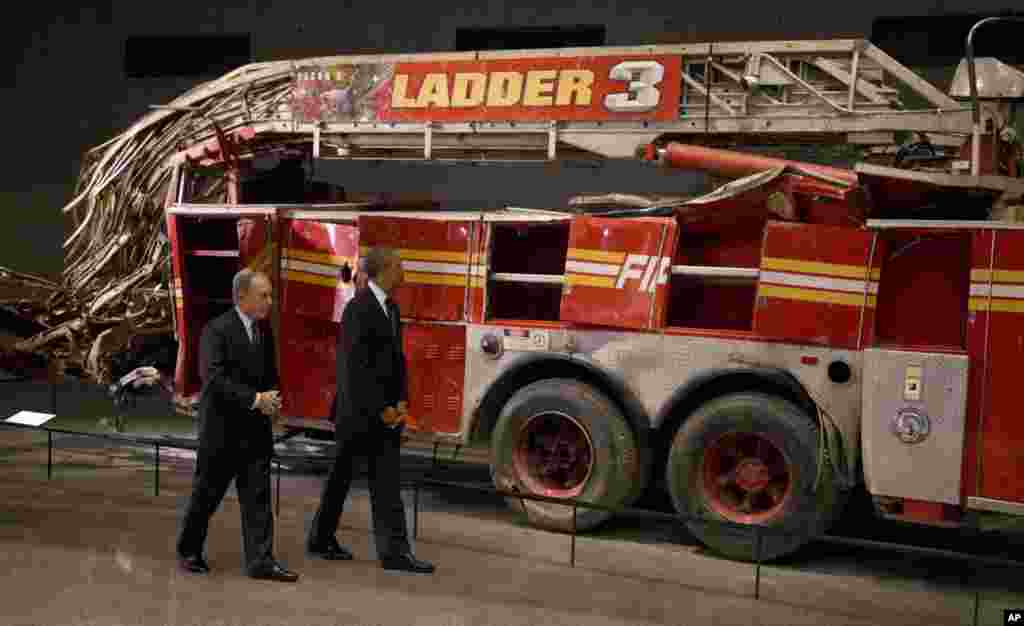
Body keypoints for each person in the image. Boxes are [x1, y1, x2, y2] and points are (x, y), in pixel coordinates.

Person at [307, 247, 435, 574]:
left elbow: (397, 361)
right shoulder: (357, 309)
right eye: (399, 266)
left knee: (386, 484)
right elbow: (354, 368)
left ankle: (394, 554)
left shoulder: (391, 308)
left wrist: (402, 401)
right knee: (340, 481)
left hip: (385, 415)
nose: (404, 272)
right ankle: (321, 540)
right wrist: (381, 409)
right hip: (358, 414)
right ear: (385, 270)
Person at [176, 269, 299, 582]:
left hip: (256, 433)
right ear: (242, 296)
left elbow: (270, 374)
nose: (269, 301)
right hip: (222, 433)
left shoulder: (263, 332)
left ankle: (261, 561)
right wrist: (256, 399)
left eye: (270, 295)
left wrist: (274, 401)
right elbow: (214, 379)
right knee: (206, 496)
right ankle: (189, 551)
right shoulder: (216, 331)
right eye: (263, 295)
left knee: (258, 500)